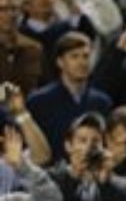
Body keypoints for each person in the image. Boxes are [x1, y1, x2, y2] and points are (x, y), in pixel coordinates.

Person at [26, 32, 112, 165]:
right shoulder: (39, 102)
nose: (82, 62)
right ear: (60, 62)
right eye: (74, 57)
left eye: (86, 56)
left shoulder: (102, 102)